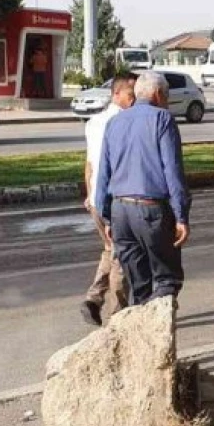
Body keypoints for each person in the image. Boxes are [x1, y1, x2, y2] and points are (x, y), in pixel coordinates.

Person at [93, 71, 191, 306]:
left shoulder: (114, 122)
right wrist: (181, 216)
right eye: (166, 96)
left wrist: (106, 219)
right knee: (167, 280)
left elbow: (103, 174)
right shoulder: (162, 119)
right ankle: (159, 338)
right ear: (158, 94)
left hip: (120, 212)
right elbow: (172, 171)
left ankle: (141, 333)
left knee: (139, 286)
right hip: (151, 211)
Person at [80, 73, 137, 326]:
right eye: (130, 94)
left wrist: (89, 194)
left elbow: (90, 162)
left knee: (111, 250)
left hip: (96, 198)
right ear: (116, 93)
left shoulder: (93, 122)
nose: (134, 100)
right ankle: (119, 315)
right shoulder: (124, 122)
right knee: (121, 257)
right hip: (116, 199)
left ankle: (93, 299)